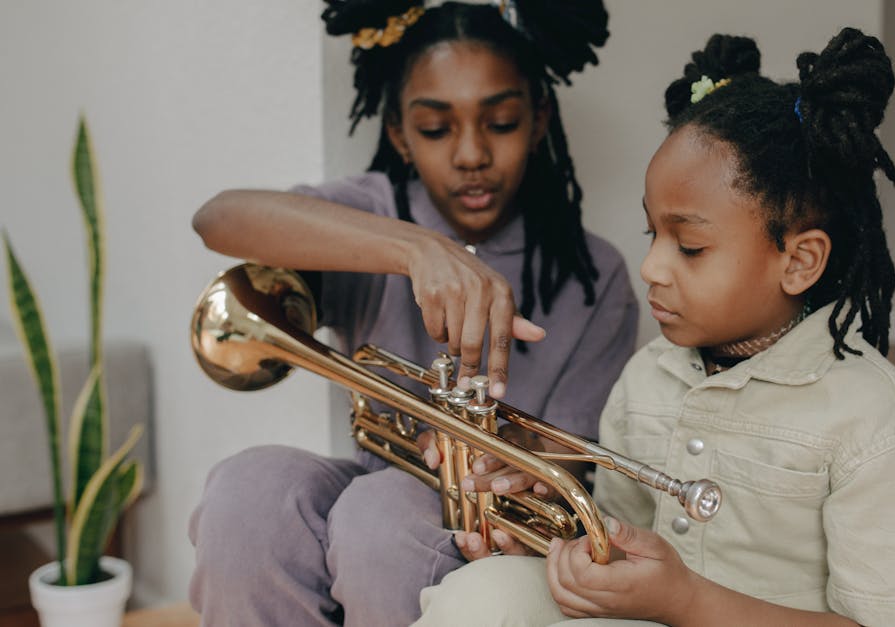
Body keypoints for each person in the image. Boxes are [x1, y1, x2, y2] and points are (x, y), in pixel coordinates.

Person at [414, 28, 895, 627]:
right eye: (654, 235)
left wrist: (688, 602)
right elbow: (617, 534)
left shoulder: (874, 423)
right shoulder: (649, 375)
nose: (651, 267)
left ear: (799, 261)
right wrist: (551, 535)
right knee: (481, 592)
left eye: (692, 246)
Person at [187, 1, 637, 625]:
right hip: (376, 486)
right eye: (435, 129)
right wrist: (416, 248)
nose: (471, 154)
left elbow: (573, 468)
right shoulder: (376, 208)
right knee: (248, 490)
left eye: (501, 122)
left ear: (538, 122)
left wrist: (507, 457)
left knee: (382, 510)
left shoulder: (596, 274)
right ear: (399, 134)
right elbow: (219, 218)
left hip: (488, 530)